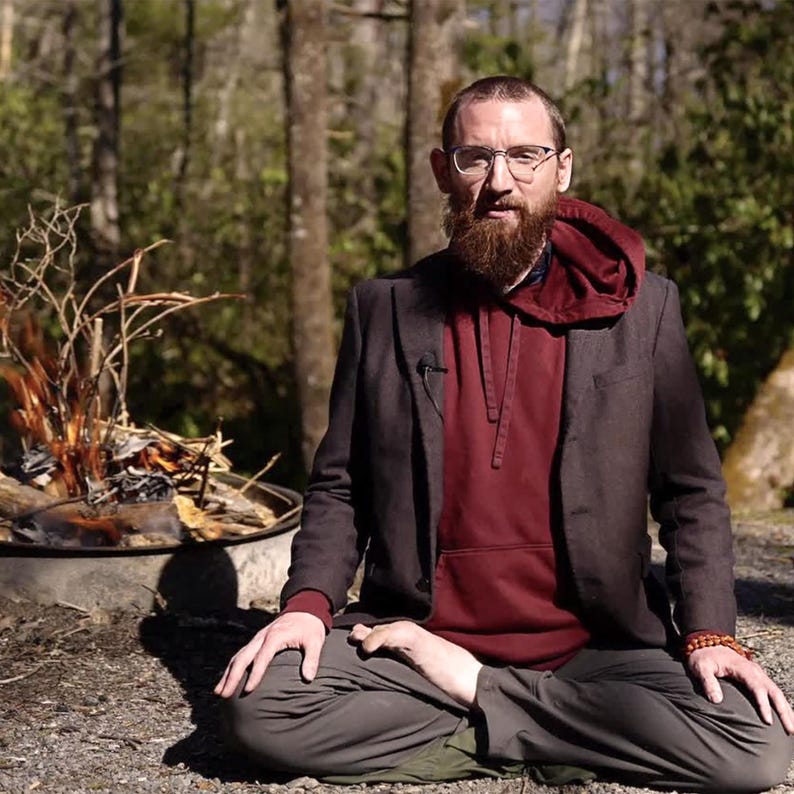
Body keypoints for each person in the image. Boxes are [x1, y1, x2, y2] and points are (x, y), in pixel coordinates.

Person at [215, 76, 794, 791]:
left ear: (563, 168)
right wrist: (307, 606)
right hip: (416, 640)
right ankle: (550, 731)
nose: (500, 181)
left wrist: (710, 633)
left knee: (754, 746)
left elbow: (692, 491)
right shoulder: (386, 309)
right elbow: (342, 485)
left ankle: (481, 706)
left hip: (598, 649)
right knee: (259, 710)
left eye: (526, 155)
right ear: (441, 171)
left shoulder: (641, 311)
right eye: (474, 158)